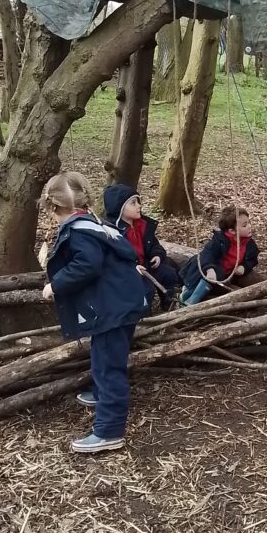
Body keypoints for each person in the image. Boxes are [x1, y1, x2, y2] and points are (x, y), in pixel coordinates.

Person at [41, 173, 148, 454]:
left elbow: (87, 265)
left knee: (108, 366)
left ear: (54, 208)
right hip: (121, 302)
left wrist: (56, 285)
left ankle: (109, 431)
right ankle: (102, 395)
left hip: (114, 307)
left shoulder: (78, 231)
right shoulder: (94, 223)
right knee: (105, 358)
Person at [103, 184, 180, 312]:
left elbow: (155, 245)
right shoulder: (112, 232)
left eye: (138, 201)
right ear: (120, 208)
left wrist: (157, 255)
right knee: (146, 290)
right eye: (133, 203)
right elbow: (111, 259)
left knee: (168, 274)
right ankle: (142, 317)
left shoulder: (143, 225)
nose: (139, 206)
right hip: (128, 272)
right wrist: (131, 267)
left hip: (147, 265)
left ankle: (168, 304)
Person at [180, 205, 261, 306]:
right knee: (217, 276)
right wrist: (209, 269)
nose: (249, 226)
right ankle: (191, 298)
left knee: (241, 288)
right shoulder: (219, 241)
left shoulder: (248, 243)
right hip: (204, 274)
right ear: (232, 231)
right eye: (244, 225)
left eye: (249, 222)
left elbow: (252, 259)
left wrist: (244, 267)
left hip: (226, 276)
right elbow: (206, 255)